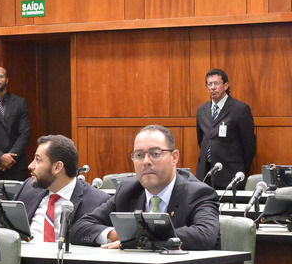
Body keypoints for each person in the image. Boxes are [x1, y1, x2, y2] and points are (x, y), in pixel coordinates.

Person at [71, 125, 220, 250]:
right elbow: (79, 227)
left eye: (155, 154)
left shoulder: (198, 193)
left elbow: (205, 235)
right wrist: (118, 234)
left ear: (174, 157)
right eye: (139, 155)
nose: (146, 161)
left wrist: (140, 238)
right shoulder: (128, 191)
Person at [13, 135, 109, 241]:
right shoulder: (28, 188)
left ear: (57, 167)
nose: (31, 166)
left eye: (38, 160)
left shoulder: (97, 202)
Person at [195, 68, 256, 189]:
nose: (213, 87)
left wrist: (242, 169)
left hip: (230, 174)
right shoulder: (201, 110)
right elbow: (201, 139)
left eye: (216, 83)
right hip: (205, 173)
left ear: (226, 86)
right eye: (209, 84)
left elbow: (249, 144)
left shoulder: (240, 109)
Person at [0, 66, 31, 181]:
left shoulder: (19, 102)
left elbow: (25, 133)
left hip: (16, 165)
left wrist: (10, 158)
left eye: (1, 76)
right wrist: (0, 156)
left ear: (7, 80)